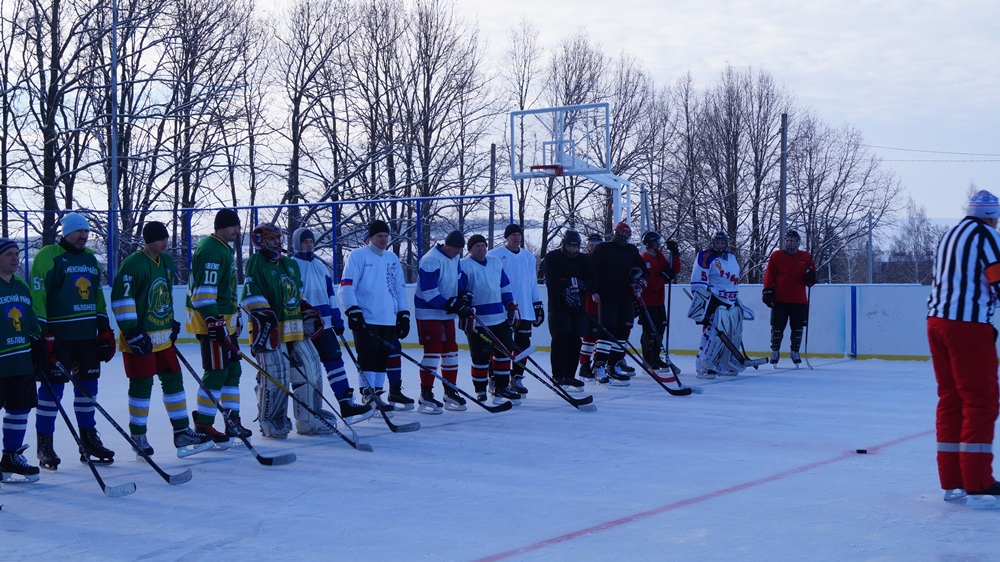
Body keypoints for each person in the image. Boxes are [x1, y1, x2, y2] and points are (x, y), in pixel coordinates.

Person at [111, 222, 213, 458]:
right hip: (139, 340)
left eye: (166, 238)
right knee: (141, 386)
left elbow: (163, 296)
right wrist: (131, 331)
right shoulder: (133, 264)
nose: (165, 242)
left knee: (174, 381)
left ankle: (182, 431)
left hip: (162, 338)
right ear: (148, 241)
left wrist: (170, 322)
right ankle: (138, 435)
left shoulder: (166, 262)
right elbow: (122, 299)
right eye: (160, 239)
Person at [927, 190, 1000, 507]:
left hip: (936, 322)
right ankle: (978, 483)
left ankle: (953, 482)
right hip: (967, 326)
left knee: (951, 399)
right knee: (981, 400)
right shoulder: (988, 236)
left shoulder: (950, 234)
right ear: (992, 217)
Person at [31, 212, 117, 468]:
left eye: (86, 231)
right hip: (58, 339)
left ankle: (88, 440)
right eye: (79, 231)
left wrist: (104, 328)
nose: (84, 235)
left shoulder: (90, 258)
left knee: (88, 389)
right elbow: (38, 296)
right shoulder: (48, 255)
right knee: (52, 392)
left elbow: (97, 297)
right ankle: (44, 444)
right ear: (66, 232)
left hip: (87, 338)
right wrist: (43, 332)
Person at [241, 223, 337, 438]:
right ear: (260, 241)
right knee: (277, 375)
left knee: (311, 368)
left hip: (295, 328)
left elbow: (295, 296)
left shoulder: (291, 264)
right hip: (269, 331)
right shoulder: (256, 262)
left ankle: (308, 418)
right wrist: (265, 317)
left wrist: (305, 311)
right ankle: (271, 420)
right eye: (271, 239)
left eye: (278, 238)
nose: (277, 242)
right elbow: (250, 296)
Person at [290, 228, 373, 423]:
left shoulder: (320, 266)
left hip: (325, 325)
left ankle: (345, 403)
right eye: (305, 241)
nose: (309, 244)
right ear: (296, 244)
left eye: (311, 241)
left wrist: (336, 318)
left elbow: (330, 295)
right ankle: (307, 411)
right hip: (303, 328)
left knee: (335, 362)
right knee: (304, 369)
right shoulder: (291, 266)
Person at [185, 209, 251, 445]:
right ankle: (203, 422)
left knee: (233, 370)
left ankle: (233, 420)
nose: (237, 231)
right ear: (220, 226)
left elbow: (225, 289)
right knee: (217, 372)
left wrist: (236, 314)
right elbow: (203, 293)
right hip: (212, 323)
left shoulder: (223, 248)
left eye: (238, 226)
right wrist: (214, 321)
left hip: (225, 321)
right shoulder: (211, 250)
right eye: (233, 226)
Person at [338, 220, 410, 418]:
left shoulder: (392, 258)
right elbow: (346, 285)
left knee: (382, 358)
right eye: (379, 236)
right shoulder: (358, 255)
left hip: (388, 318)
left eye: (386, 236)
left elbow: (399, 288)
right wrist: (353, 310)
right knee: (368, 356)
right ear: (370, 237)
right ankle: (368, 395)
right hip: (366, 317)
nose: (384, 239)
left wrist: (403, 313)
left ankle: (377, 394)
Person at [414, 230, 471, 413]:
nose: (458, 252)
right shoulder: (430, 260)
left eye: (460, 249)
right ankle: (425, 393)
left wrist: (463, 295)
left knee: (451, 350)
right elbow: (429, 292)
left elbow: (458, 278)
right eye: (456, 248)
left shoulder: (455, 257)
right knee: (433, 351)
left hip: (446, 312)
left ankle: (450, 391)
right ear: (447, 245)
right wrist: (451, 305)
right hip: (429, 312)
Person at [459, 234, 521, 404]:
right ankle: (480, 390)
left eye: (483, 245)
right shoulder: (464, 265)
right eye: (477, 246)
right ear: (470, 249)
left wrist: (510, 305)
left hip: (499, 318)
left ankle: (502, 387)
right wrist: (464, 307)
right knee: (480, 357)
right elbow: (460, 290)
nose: (481, 249)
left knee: (505, 352)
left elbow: (505, 286)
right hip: (477, 320)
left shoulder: (495, 262)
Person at [0, 238, 42, 482]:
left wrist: (39, 344)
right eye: (9, 254)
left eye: (17, 253)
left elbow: (31, 321)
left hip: (20, 360)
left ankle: (11, 456)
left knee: (19, 409)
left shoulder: (21, 286)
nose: (15, 258)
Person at [587, 221, 648, 386]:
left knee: (622, 333)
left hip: (626, 298)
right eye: (619, 233)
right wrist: (593, 291)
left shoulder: (631, 250)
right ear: (614, 233)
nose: (622, 237)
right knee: (607, 332)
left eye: (625, 234)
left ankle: (613, 365)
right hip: (607, 297)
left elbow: (643, 271)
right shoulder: (603, 249)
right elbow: (591, 272)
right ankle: (599, 366)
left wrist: (640, 282)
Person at [487, 224, 542, 396]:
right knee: (499, 345)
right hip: (503, 310)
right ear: (506, 237)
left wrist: (537, 303)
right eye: (513, 235)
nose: (516, 238)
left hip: (524, 309)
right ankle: (494, 378)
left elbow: (532, 283)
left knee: (523, 344)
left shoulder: (528, 257)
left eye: (519, 234)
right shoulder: (494, 255)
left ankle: (517, 377)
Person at [689, 230, 748, 379]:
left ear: (726, 244)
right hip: (713, 300)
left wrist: (736, 300)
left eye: (722, 243)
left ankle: (724, 363)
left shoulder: (731, 258)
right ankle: (702, 366)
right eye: (717, 242)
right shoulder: (705, 256)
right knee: (711, 333)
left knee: (730, 334)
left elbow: (732, 282)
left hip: (730, 301)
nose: (719, 245)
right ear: (712, 243)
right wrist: (701, 303)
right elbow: (698, 280)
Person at [543, 230, 591, 391]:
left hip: (578, 307)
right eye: (570, 246)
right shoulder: (552, 258)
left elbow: (591, 280)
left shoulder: (584, 260)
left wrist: (581, 284)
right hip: (558, 307)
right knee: (561, 339)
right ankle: (558, 376)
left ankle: (570, 375)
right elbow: (552, 283)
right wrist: (569, 284)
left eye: (575, 246)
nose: (572, 249)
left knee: (575, 340)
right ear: (564, 245)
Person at [762, 229, 816, 366]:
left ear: (798, 242)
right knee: (777, 328)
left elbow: (810, 282)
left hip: (799, 299)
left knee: (798, 328)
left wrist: (811, 277)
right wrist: (767, 290)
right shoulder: (776, 256)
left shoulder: (806, 257)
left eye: (793, 240)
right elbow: (769, 274)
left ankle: (795, 351)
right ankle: (775, 350)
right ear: (785, 242)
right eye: (788, 240)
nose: (790, 243)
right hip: (780, 298)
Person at [639, 231, 681, 369]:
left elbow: (674, 269)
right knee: (649, 331)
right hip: (648, 302)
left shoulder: (659, 256)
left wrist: (675, 254)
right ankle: (647, 358)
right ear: (650, 243)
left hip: (659, 301)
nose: (659, 244)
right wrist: (665, 276)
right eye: (657, 242)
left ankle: (656, 356)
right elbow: (652, 284)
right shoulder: (644, 259)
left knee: (660, 328)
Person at [577, 233, 603, 381]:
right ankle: (584, 365)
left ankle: (598, 364)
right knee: (589, 337)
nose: (593, 247)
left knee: (601, 337)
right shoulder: (584, 259)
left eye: (596, 245)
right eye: (591, 244)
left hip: (603, 305)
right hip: (588, 305)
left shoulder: (604, 260)